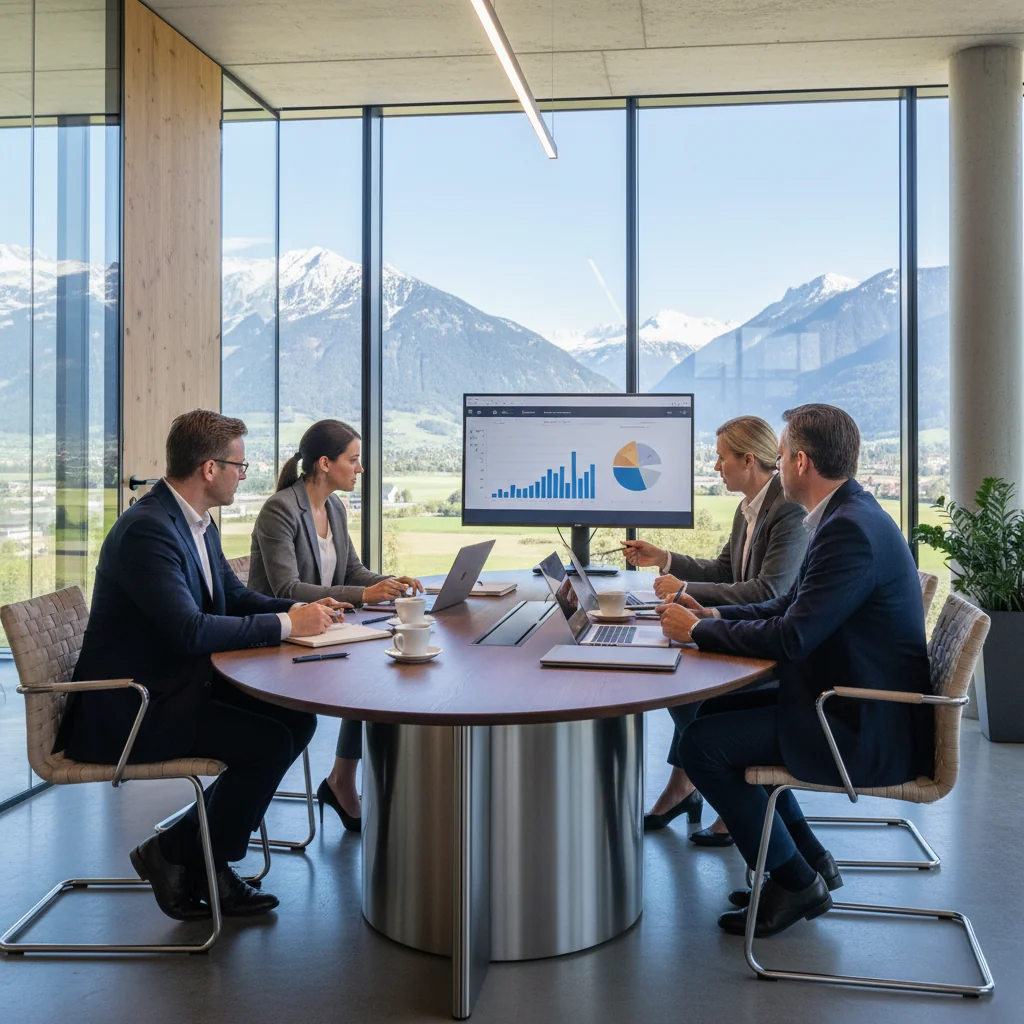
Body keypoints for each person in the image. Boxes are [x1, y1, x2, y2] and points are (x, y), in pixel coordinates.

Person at [657, 404, 933, 938]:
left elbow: (792, 635)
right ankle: (810, 862)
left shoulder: (846, 530)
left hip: (859, 723)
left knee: (704, 746)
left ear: (801, 462)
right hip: (842, 699)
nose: (776, 462)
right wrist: (710, 617)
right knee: (708, 714)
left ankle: (793, 881)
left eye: (780, 454)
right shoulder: (843, 514)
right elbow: (789, 611)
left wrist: (697, 632)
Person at [62, 410, 343, 921]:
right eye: (239, 464)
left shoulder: (193, 521)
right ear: (209, 469)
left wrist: (302, 614)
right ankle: (195, 861)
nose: (245, 473)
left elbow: (230, 596)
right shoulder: (148, 531)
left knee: (297, 720)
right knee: (267, 742)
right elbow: (190, 630)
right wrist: (288, 626)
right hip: (135, 706)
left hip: (177, 686)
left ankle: (179, 852)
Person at [622, 416, 808, 843]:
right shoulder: (749, 508)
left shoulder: (788, 510)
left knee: (690, 689)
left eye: (721, 458)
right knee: (679, 674)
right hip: (751, 631)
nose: (716, 467)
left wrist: (687, 591)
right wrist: (665, 557)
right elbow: (726, 571)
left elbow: (770, 589)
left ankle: (727, 799)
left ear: (747, 460)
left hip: (767, 648)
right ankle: (686, 788)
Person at [248, 418, 422, 834]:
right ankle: (342, 781)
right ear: (324, 463)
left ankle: (342, 779)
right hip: (277, 641)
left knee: (380, 675)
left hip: (321, 631)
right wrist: (366, 596)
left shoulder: (335, 508)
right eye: (354, 460)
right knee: (374, 674)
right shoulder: (281, 510)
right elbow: (286, 587)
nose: (360, 469)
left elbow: (352, 570)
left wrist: (388, 583)